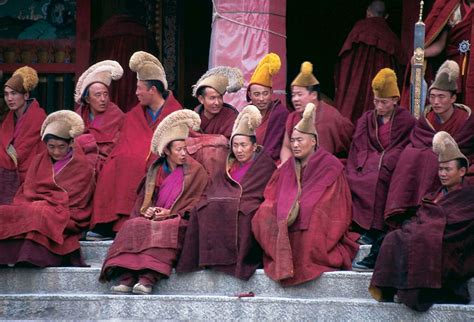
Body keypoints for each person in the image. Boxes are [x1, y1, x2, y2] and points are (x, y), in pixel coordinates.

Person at [99, 110, 208, 294]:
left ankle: (148, 278)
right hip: (155, 217)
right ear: (166, 150)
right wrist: (147, 211)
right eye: (178, 149)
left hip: (179, 219)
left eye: (185, 148)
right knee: (133, 225)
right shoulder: (155, 170)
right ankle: (127, 276)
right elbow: (144, 200)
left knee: (167, 229)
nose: (184, 153)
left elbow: (199, 201)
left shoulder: (196, 171)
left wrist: (171, 213)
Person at [252, 103, 359, 286]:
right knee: (263, 213)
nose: (294, 145)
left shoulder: (330, 165)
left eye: (299, 140)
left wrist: (303, 204)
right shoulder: (287, 167)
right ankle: (282, 262)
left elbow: (335, 201)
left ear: (313, 141)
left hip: (319, 214)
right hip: (290, 214)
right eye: (292, 141)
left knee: (311, 214)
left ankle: (301, 265)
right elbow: (272, 192)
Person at [370, 131, 474, 312]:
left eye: (447, 169)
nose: (442, 174)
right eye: (440, 169)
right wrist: (417, 226)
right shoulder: (435, 195)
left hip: (452, 241)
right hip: (429, 233)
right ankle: (391, 289)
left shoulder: (468, 196)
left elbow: (462, 223)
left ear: (462, 171)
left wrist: (430, 228)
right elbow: (423, 216)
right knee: (394, 237)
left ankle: (419, 292)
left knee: (425, 239)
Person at [89, 51, 182, 239]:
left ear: (152, 90)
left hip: (162, 159)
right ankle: (109, 222)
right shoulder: (134, 114)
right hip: (134, 158)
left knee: (137, 165)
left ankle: (125, 223)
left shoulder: (175, 112)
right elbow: (124, 141)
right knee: (113, 165)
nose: (136, 93)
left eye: (140, 88)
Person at [177, 105, 276, 280]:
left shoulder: (265, 164)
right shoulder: (229, 163)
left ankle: (235, 262)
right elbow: (217, 184)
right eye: (235, 145)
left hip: (249, 201)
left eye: (243, 145)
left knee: (244, 213)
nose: (239, 150)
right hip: (226, 198)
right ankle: (208, 260)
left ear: (254, 146)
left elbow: (261, 190)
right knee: (203, 208)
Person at [0, 110, 95, 267]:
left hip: (66, 211)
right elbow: (28, 189)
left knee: (40, 212)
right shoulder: (39, 160)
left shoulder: (81, 165)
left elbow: (77, 197)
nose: (56, 152)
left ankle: (31, 256)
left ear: (71, 143)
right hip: (38, 205)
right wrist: (37, 202)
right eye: (51, 147)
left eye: (61, 147)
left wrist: (46, 202)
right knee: (6, 211)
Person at [385, 60, 474, 228]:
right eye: (432, 97)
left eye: (441, 97)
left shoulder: (464, 119)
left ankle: (424, 207)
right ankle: (406, 209)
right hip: (430, 157)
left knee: (432, 159)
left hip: (456, 159)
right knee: (409, 155)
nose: (436, 102)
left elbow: (466, 145)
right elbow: (418, 139)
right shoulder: (428, 118)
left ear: (453, 98)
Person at [346, 68, 416, 254]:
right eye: (376, 101)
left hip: (392, 164)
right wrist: (363, 161)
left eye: (384, 102)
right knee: (355, 178)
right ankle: (362, 227)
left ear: (395, 100)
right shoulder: (368, 118)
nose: (379, 106)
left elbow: (408, 144)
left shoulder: (405, 120)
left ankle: (376, 228)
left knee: (378, 178)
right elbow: (358, 143)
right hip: (368, 160)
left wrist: (389, 158)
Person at [334, 0, 406, 123]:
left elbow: (344, 61)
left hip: (354, 90)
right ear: (386, 17)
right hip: (380, 100)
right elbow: (402, 68)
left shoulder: (359, 29)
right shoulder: (392, 39)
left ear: (368, 13)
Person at [280, 62, 354, 164]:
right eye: (293, 95)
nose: (295, 99)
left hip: (324, 167)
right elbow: (286, 147)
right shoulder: (292, 117)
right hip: (296, 166)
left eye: (299, 94)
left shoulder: (329, 116)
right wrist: (286, 165)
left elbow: (325, 154)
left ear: (314, 95)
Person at [0, 66, 46, 205]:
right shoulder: (8, 118)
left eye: (14, 93)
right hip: (8, 169)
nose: (9, 98)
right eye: (6, 94)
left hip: (30, 172)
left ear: (25, 96)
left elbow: (23, 150)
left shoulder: (38, 117)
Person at [75, 60, 125, 172]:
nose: (103, 99)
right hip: (82, 164)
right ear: (87, 99)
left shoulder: (116, 115)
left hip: (108, 166)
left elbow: (119, 145)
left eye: (105, 94)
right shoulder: (79, 116)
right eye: (98, 95)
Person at [247, 53, 289, 161]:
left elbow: (278, 148)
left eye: (265, 93)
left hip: (272, 162)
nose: (261, 98)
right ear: (249, 95)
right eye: (257, 94)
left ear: (271, 93)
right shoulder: (246, 113)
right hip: (247, 159)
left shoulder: (280, 113)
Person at [193, 66, 241, 139]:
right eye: (212, 98)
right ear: (201, 99)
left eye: (220, 97)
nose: (217, 102)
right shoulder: (194, 116)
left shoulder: (230, 115)